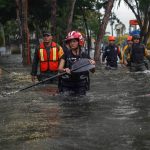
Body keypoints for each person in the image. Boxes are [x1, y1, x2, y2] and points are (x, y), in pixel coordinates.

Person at [58, 31, 95, 96]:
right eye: (70, 42)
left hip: (81, 84)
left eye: (74, 41)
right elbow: (59, 68)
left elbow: (93, 71)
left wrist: (92, 65)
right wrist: (65, 70)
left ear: (79, 42)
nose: (72, 43)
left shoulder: (84, 55)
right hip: (67, 84)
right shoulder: (65, 54)